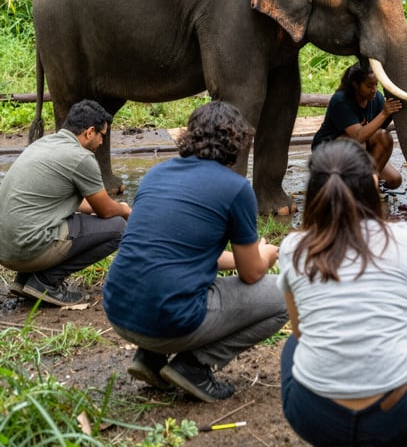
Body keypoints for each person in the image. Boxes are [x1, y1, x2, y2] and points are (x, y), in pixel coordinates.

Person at [102, 101, 288, 402]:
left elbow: (185, 251)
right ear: (237, 141)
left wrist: (245, 257)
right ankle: (194, 366)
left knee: (167, 275)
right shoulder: (236, 187)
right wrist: (264, 254)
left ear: (190, 136)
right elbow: (252, 274)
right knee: (284, 295)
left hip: (119, 310)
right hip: (167, 321)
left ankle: (150, 358)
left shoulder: (156, 174)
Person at [278, 138, 407, 447]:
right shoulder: (404, 238)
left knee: (293, 346)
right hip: (401, 416)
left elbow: (301, 331)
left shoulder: (293, 248)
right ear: (373, 183)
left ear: (314, 191)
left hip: (315, 419)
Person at [0, 100, 131, 306]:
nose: (102, 142)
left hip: (6, 250)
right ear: (90, 132)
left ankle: (25, 279)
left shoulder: (44, 144)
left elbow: (70, 203)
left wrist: (100, 210)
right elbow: (106, 211)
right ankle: (45, 281)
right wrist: (125, 210)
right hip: (26, 250)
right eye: (102, 135)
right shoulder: (81, 158)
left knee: (73, 221)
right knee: (118, 228)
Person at [311, 62, 404, 189]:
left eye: (376, 84)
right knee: (359, 143)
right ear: (355, 85)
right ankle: (351, 185)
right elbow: (358, 136)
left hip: (358, 150)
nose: (374, 90)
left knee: (394, 179)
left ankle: (367, 183)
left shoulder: (375, 98)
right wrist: (384, 113)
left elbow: (380, 128)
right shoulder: (341, 101)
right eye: (369, 86)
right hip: (328, 152)